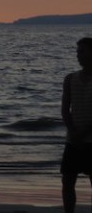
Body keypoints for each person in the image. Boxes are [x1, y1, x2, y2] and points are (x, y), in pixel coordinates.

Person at [62, 37, 92, 213]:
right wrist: (73, 133)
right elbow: (65, 110)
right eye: (77, 52)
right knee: (67, 181)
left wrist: (84, 133)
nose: (78, 55)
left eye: (82, 52)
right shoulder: (70, 79)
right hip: (73, 140)